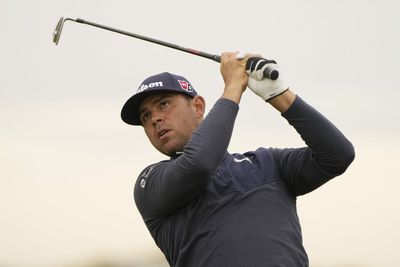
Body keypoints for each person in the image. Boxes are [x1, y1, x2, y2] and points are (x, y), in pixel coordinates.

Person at [120, 52, 355, 267]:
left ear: (198, 107)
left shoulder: (269, 163)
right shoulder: (151, 182)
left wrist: (279, 94)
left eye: (163, 104)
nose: (154, 119)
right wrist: (233, 87)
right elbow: (199, 164)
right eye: (146, 116)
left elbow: (337, 155)